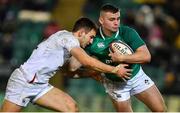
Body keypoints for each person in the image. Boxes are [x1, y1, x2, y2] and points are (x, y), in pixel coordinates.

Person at [0, 17, 128, 112]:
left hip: (39, 85)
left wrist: (91, 74)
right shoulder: (67, 38)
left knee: (72, 108)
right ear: (81, 32)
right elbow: (86, 61)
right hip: (24, 81)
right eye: (91, 37)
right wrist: (114, 69)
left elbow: (70, 71)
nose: (91, 41)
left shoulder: (70, 46)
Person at [71, 4, 167, 112]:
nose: (116, 22)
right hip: (115, 84)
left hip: (136, 76)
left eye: (118, 18)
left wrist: (121, 57)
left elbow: (146, 56)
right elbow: (74, 65)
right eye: (112, 19)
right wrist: (93, 71)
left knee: (161, 110)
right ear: (101, 20)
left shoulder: (127, 32)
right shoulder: (92, 39)